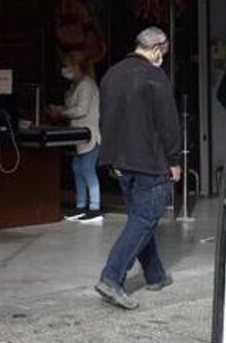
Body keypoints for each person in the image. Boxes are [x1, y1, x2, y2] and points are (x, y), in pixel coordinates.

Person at [93, 27, 181, 310]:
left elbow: (104, 118)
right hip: (149, 161)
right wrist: (174, 160)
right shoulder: (155, 77)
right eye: (163, 53)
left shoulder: (111, 74)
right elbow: (168, 124)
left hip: (119, 161)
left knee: (140, 217)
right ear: (156, 48)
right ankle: (111, 277)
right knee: (144, 219)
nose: (162, 58)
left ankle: (154, 275)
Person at [52, 52, 103, 223]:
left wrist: (62, 113)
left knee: (88, 170)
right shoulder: (75, 86)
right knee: (77, 169)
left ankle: (95, 208)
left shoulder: (87, 85)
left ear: (77, 66)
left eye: (68, 65)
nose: (65, 69)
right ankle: (81, 206)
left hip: (89, 136)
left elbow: (81, 109)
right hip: (78, 138)